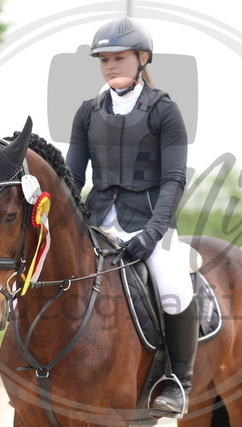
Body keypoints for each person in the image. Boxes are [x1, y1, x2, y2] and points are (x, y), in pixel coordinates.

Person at [66, 17, 197, 418]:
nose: (110, 66)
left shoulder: (164, 110)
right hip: (97, 221)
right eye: (103, 59)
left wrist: (153, 233)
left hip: (149, 223)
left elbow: (174, 179)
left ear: (142, 58)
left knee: (174, 288)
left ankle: (177, 381)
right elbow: (72, 178)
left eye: (118, 58)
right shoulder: (87, 113)